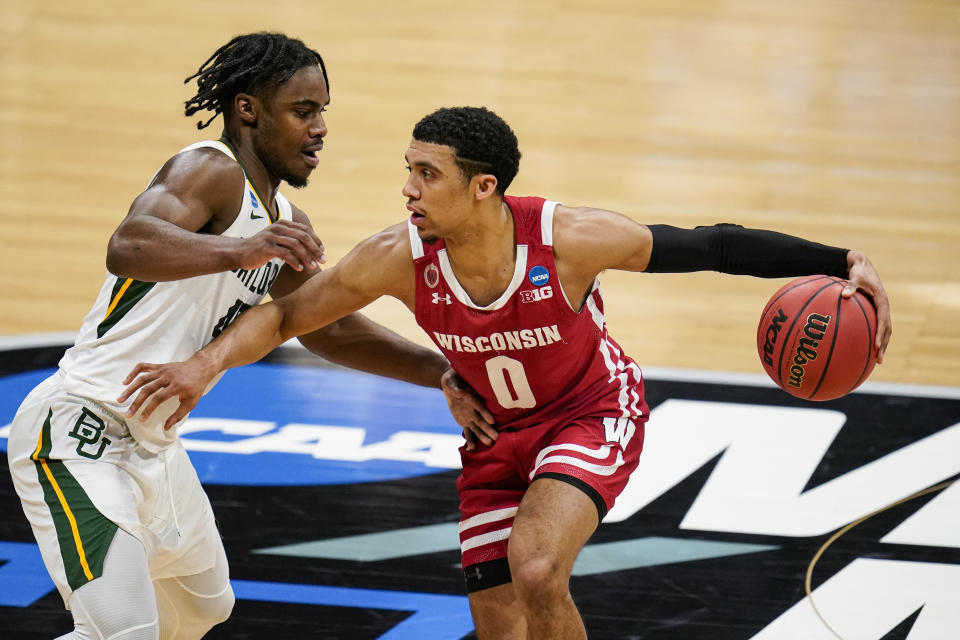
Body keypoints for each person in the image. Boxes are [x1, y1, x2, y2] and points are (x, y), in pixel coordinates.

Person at [119, 106, 893, 639]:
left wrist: (839, 262)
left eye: (427, 174)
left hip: (590, 409)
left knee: (538, 570)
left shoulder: (572, 240)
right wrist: (203, 365)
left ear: (483, 187)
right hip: (495, 436)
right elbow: (288, 316)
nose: (407, 189)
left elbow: (713, 245)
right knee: (500, 620)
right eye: (408, 169)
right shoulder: (397, 256)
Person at [7, 36, 492, 640]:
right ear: (247, 110)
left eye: (323, 112)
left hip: (153, 443)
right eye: (303, 111)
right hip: (78, 430)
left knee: (201, 612)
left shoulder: (286, 222)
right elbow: (128, 245)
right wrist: (238, 249)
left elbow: (329, 327)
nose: (319, 129)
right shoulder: (209, 168)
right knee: (121, 633)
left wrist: (440, 371)